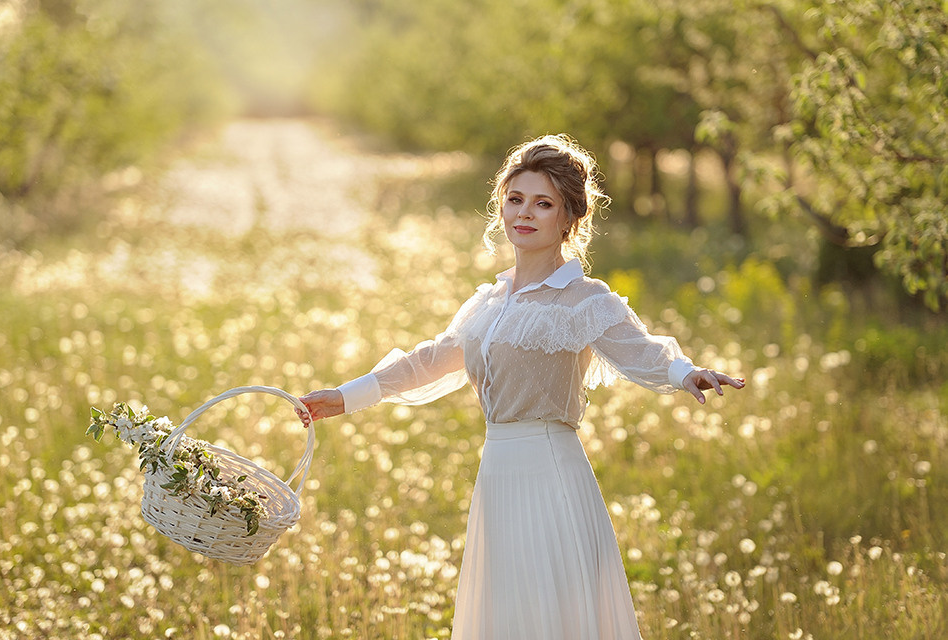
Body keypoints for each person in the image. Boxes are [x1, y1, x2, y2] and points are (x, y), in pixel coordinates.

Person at [296, 134, 745, 639]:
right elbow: (430, 361)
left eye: (543, 203)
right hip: (499, 475)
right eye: (515, 199)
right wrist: (345, 396)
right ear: (501, 205)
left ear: (568, 218)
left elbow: (642, 350)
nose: (524, 214)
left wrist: (687, 373)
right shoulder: (490, 301)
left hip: (551, 475)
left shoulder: (583, 298)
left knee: (553, 617)